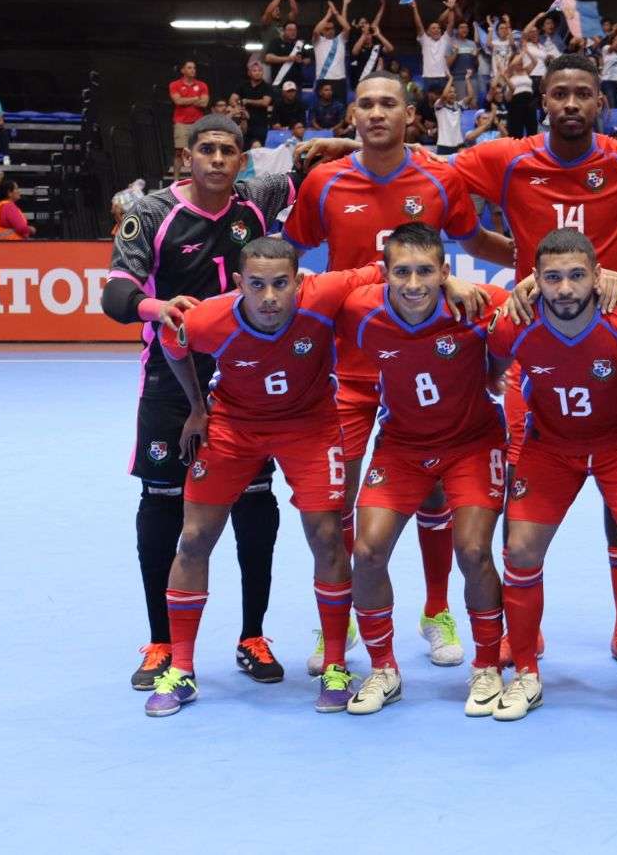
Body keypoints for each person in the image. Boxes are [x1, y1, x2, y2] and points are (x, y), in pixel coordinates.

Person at [449, 53, 617, 670]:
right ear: (543, 100)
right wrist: (502, 260)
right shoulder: (505, 158)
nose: (570, 104)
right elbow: (428, 179)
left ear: (601, 104)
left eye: (582, 94)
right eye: (559, 93)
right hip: (534, 339)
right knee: (524, 489)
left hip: (612, 336)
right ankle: (524, 630)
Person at [282, 72, 510, 672]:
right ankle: (343, 620)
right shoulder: (324, 180)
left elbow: (472, 238)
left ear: (411, 114)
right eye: (366, 104)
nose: (377, 112)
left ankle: (437, 612)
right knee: (338, 502)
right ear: (351, 115)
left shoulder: (440, 176)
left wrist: (545, 262)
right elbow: (287, 255)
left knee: (435, 490)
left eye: (389, 103)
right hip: (350, 372)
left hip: (425, 366)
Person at [102, 115, 319, 692]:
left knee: (254, 502)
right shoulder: (151, 213)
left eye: (228, 150)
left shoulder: (256, 200)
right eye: (207, 150)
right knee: (165, 504)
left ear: (240, 159)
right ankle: (161, 642)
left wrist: (336, 141)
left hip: (249, 379)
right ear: (187, 156)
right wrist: (156, 308)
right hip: (173, 381)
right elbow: (116, 292)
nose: (218, 160)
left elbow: (311, 169)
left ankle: (253, 634)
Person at [144, 242, 390, 716]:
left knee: (327, 536)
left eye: (281, 284)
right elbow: (172, 343)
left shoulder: (325, 293)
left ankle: (336, 664)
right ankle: (182, 668)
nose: (270, 296)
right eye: (257, 285)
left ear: (299, 281)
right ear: (239, 285)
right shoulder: (208, 319)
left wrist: (454, 281)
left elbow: (391, 268)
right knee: (193, 538)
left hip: (312, 426)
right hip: (234, 428)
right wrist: (197, 408)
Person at [485, 230, 617, 721]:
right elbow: (493, 363)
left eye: (577, 276)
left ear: (597, 276)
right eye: (552, 278)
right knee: (521, 549)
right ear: (534, 281)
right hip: (550, 446)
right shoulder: (516, 324)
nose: (566, 289)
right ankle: (527, 673)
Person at [337, 223, 511, 716]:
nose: (414, 284)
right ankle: (383, 669)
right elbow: (310, 298)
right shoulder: (360, 311)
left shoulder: (479, 305)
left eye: (426, 272)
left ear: (445, 272)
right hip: (401, 447)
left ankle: (485, 667)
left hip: (473, 445)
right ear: (385, 274)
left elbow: (538, 292)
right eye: (402, 272)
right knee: (367, 551)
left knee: (474, 550)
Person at [411, 0, 457, 99]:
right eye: (433, 28)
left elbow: (451, 24)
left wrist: (451, 9)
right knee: (428, 104)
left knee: (444, 103)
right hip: (428, 78)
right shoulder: (425, 40)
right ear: (428, 32)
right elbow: (418, 25)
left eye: (438, 28)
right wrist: (414, 8)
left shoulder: (445, 40)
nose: (437, 30)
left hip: (443, 77)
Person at [168, 61, 210, 177]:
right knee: (179, 152)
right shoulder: (174, 84)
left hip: (198, 123)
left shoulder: (202, 85)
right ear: (183, 70)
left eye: (194, 68)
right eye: (189, 68)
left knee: (197, 151)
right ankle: (175, 180)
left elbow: (204, 103)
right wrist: (196, 98)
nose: (193, 70)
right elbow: (178, 101)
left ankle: (196, 179)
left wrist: (186, 99)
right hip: (181, 123)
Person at [311, 0, 352, 101]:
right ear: (323, 31)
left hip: (339, 80)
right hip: (323, 80)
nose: (330, 31)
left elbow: (347, 27)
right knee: (321, 112)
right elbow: (316, 31)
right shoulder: (318, 41)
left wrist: (335, 13)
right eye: (327, 29)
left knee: (341, 111)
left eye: (332, 28)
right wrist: (328, 15)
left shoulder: (340, 39)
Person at [348, 0, 394, 88]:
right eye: (362, 23)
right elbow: (354, 52)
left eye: (366, 23)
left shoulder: (376, 47)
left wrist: (378, 34)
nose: (365, 25)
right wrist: (364, 34)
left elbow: (390, 49)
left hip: (373, 82)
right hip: (359, 82)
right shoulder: (354, 37)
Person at [236, 60, 274, 148]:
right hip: (243, 124)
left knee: (257, 148)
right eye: (254, 71)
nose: (257, 73)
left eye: (260, 70)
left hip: (259, 126)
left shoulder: (267, 87)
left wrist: (247, 101)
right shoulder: (243, 86)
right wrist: (240, 107)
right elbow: (232, 99)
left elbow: (265, 102)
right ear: (249, 73)